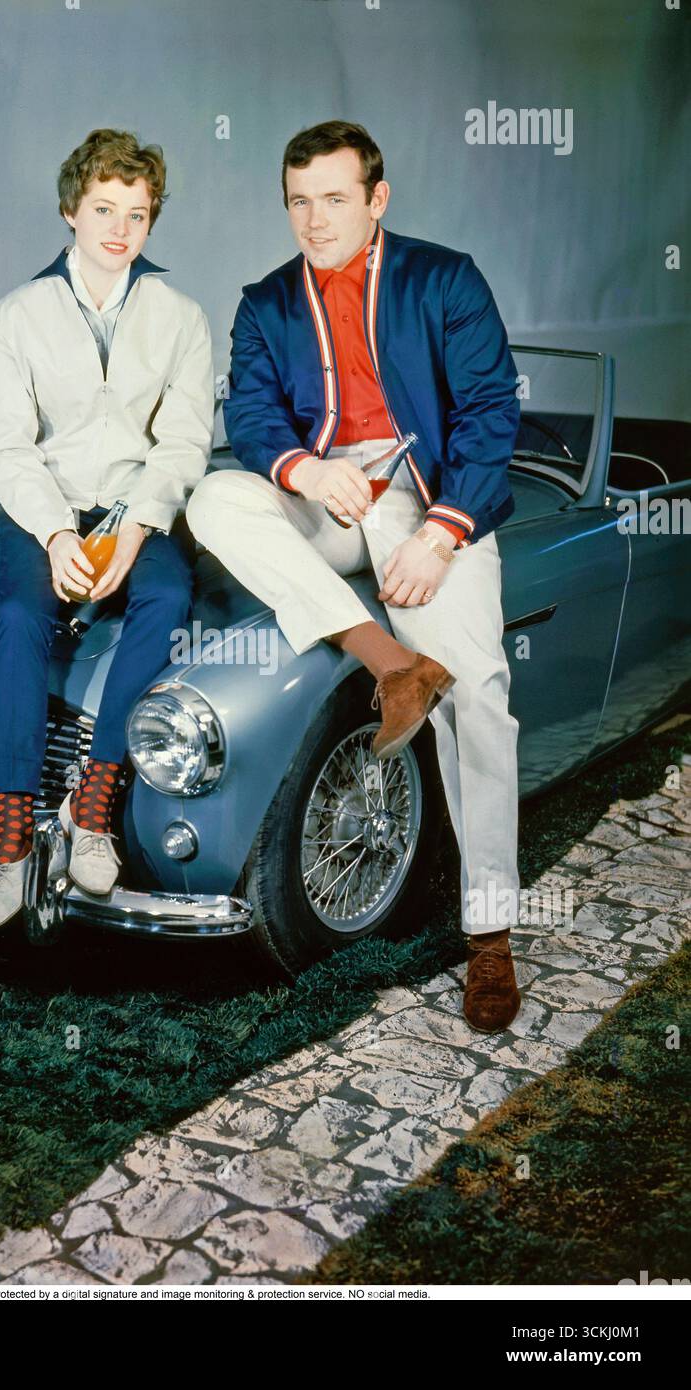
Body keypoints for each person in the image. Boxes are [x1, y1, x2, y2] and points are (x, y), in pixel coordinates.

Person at [186, 120, 522, 1032]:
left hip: (429, 498)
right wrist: (301, 468)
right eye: (298, 201)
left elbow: (493, 414)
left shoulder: (443, 277)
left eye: (334, 199)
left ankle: (489, 940)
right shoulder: (265, 300)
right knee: (215, 500)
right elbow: (251, 415)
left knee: (481, 692)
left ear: (377, 199)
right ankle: (388, 662)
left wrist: (443, 532)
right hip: (330, 498)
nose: (314, 218)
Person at [0, 128, 214, 928]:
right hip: (46, 512)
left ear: (151, 222)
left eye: (137, 215)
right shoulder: (13, 316)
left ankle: (94, 802)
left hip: (135, 511)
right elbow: (5, 448)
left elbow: (183, 442)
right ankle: (10, 840)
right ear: (70, 210)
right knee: (16, 618)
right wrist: (54, 536)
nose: (120, 229)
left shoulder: (181, 317)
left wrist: (140, 530)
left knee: (167, 598)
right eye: (104, 209)